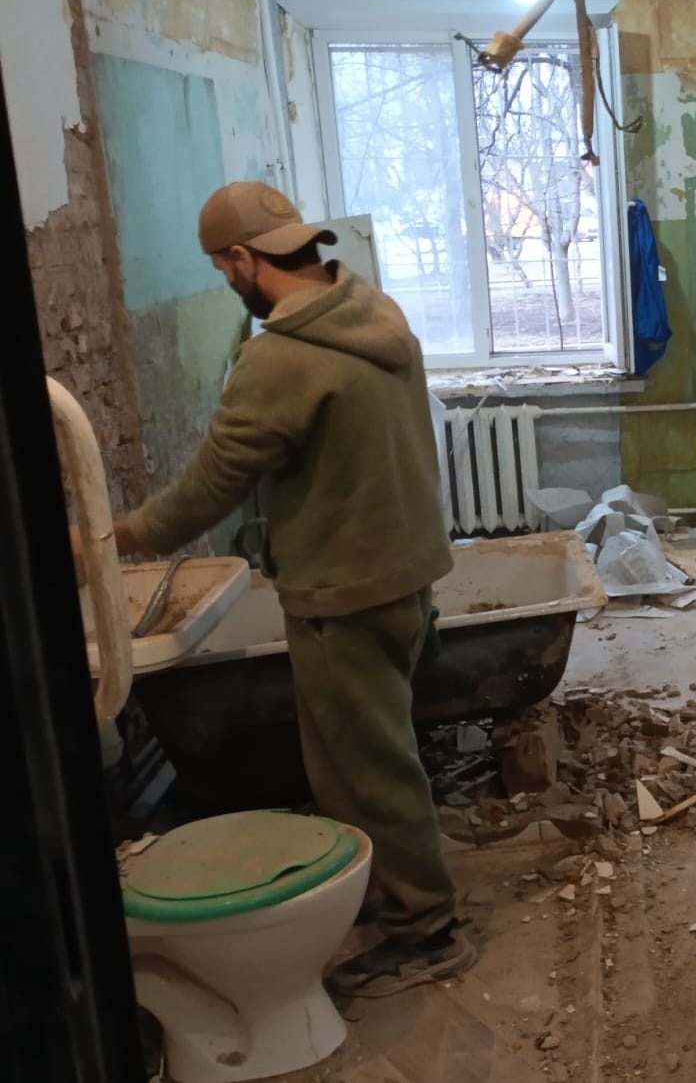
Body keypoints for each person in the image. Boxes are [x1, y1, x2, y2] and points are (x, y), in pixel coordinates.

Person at [91, 181, 473, 997]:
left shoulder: (280, 359)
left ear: (242, 259)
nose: (228, 283)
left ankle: (428, 931)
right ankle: (393, 895)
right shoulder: (372, 310)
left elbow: (210, 486)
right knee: (363, 760)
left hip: (344, 591)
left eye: (222, 269)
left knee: (369, 771)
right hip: (404, 573)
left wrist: (107, 537)